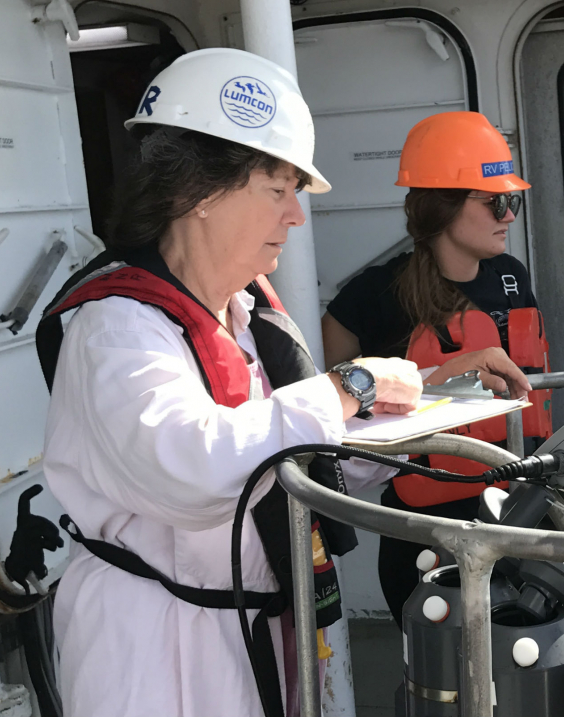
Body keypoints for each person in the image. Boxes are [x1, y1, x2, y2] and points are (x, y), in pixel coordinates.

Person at [36, 49, 425, 717]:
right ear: (198, 191)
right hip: (154, 650)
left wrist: (399, 436)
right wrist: (347, 385)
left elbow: (283, 460)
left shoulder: (242, 319)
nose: (295, 217)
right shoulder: (116, 329)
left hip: (251, 630)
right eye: (277, 190)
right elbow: (199, 469)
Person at [321, 111, 548, 626]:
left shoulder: (511, 277)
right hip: (425, 530)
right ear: (442, 208)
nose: (509, 215)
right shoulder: (374, 296)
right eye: (495, 202)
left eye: (512, 201)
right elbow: (331, 408)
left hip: (518, 508)